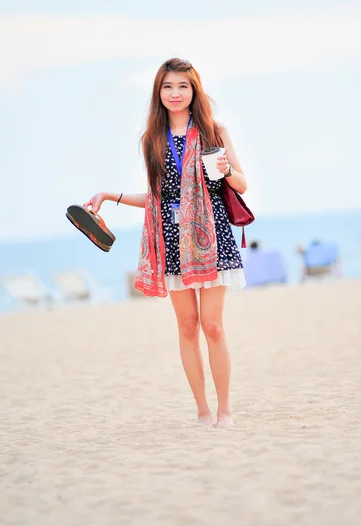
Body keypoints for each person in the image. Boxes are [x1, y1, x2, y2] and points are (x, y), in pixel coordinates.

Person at [83, 58, 248, 428]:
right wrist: (110, 195)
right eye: (168, 86)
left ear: (194, 90)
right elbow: (156, 197)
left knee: (213, 326)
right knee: (187, 326)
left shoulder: (213, 131)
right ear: (159, 92)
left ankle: (225, 411)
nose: (175, 93)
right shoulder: (152, 140)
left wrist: (227, 171)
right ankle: (203, 412)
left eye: (183, 86)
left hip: (212, 233)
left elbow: (242, 185)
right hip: (171, 238)